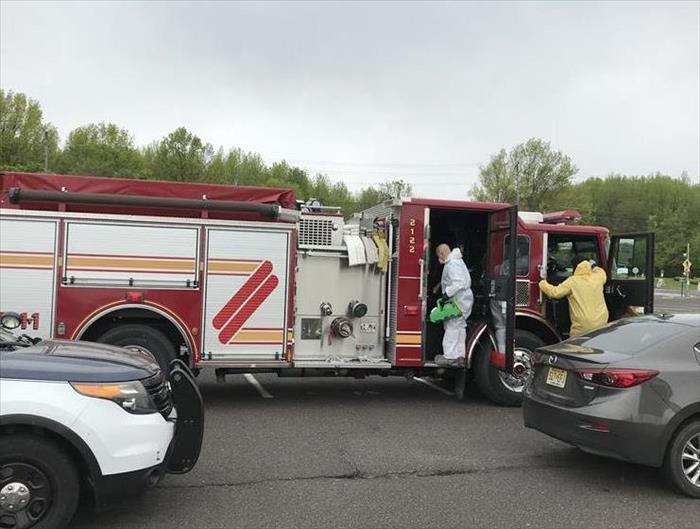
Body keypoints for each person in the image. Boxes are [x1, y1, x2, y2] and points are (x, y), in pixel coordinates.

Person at [539, 256, 609, 337]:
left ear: (575, 268)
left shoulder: (572, 281)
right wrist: (592, 265)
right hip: (602, 322)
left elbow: (555, 293)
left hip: (583, 325)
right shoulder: (598, 277)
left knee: (576, 345)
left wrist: (542, 282)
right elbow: (601, 271)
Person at [434, 243, 473, 367]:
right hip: (463, 300)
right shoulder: (457, 261)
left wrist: (446, 294)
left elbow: (458, 283)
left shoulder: (452, 264)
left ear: (441, 253)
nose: (438, 259)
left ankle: (450, 356)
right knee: (460, 327)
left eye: (438, 256)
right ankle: (460, 356)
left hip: (458, 300)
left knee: (451, 326)